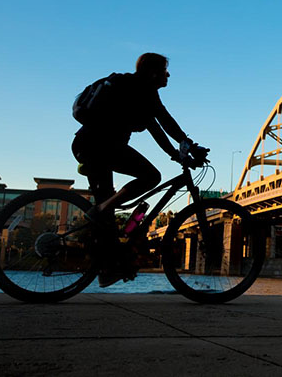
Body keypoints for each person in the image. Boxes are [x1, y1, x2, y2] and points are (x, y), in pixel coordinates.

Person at [72, 52, 203, 286]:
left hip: (90, 145)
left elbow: (157, 130)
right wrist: (189, 146)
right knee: (151, 176)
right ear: (153, 72)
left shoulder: (135, 91)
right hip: (99, 146)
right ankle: (102, 207)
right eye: (165, 70)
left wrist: (178, 154)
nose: (168, 74)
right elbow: (166, 121)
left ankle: (107, 270)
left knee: (107, 221)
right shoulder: (143, 91)